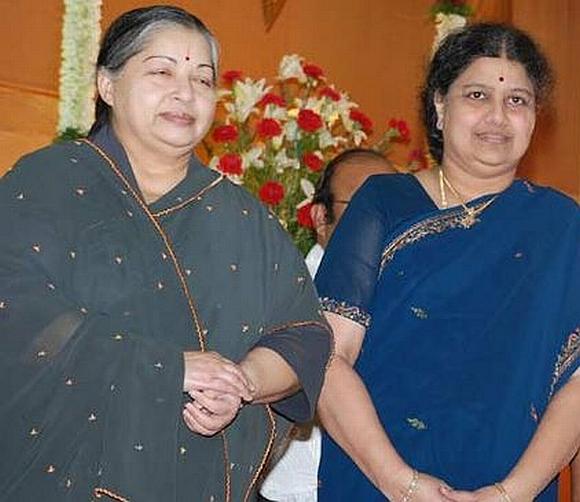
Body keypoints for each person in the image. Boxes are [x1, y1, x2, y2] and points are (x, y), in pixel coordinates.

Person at [0, 6, 331, 501]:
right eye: (161, 71)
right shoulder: (48, 183)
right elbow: (14, 312)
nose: (185, 93)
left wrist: (240, 383)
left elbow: (301, 336)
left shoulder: (242, 217)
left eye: (203, 79)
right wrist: (168, 367)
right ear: (107, 85)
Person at [314, 23, 579, 501]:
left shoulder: (561, 225)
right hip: (376, 481)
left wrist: (510, 494)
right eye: (477, 94)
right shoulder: (383, 203)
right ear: (440, 106)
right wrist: (400, 483)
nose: (498, 116)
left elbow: (577, 385)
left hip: (510, 486)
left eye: (517, 100)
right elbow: (329, 358)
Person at [259, 149, 393, 501]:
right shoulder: (284, 296)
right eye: (363, 206)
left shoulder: (411, 298)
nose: (383, 219)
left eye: (394, 207)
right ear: (321, 218)